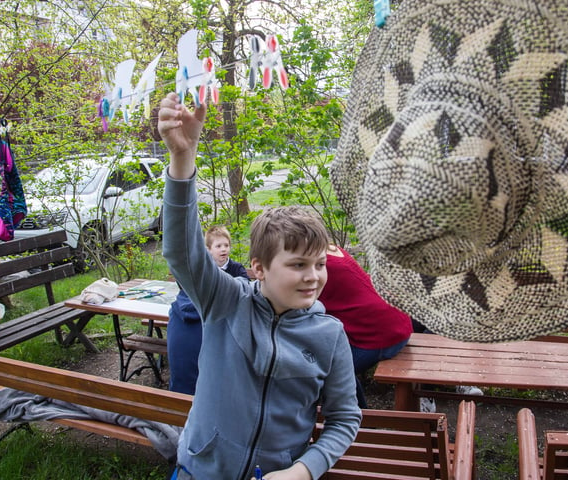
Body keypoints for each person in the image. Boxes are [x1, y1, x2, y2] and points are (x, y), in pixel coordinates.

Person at [157, 92, 361, 480]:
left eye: (319, 264)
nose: (313, 276)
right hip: (200, 471)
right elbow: (182, 254)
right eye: (298, 264)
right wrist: (182, 160)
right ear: (258, 269)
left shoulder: (330, 336)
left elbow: (345, 418)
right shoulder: (225, 302)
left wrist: (303, 470)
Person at [317, 244, 412, 409]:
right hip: (397, 324)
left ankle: (362, 425)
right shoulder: (330, 250)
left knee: (331, 372)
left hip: (383, 336)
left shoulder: (319, 265)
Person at [167, 225, 249, 395]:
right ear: (208, 250)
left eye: (226, 245)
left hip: (182, 390)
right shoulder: (201, 273)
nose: (223, 249)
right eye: (218, 246)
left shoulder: (232, 269)